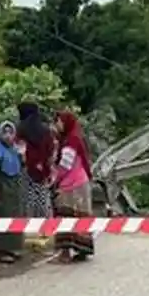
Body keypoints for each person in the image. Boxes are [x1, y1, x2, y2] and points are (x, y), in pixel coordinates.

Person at [51, 111, 95, 263]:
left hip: (70, 185)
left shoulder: (71, 141)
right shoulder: (74, 138)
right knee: (81, 217)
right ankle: (82, 250)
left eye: (58, 122)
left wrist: (55, 180)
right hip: (81, 183)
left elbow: (65, 165)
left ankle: (65, 253)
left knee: (65, 216)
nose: (57, 125)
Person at [0, 120, 24, 264]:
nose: (8, 136)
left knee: (14, 218)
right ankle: (0, 251)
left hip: (13, 189)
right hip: (0, 189)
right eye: (4, 132)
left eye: (10, 132)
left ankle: (12, 248)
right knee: (0, 219)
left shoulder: (15, 149)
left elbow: (20, 167)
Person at [16, 101, 54, 219]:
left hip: (25, 170)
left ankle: (28, 225)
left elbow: (19, 151)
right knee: (42, 197)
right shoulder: (46, 131)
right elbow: (50, 152)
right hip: (42, 169)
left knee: (27, 197)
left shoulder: (20, 130)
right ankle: (44, 224)